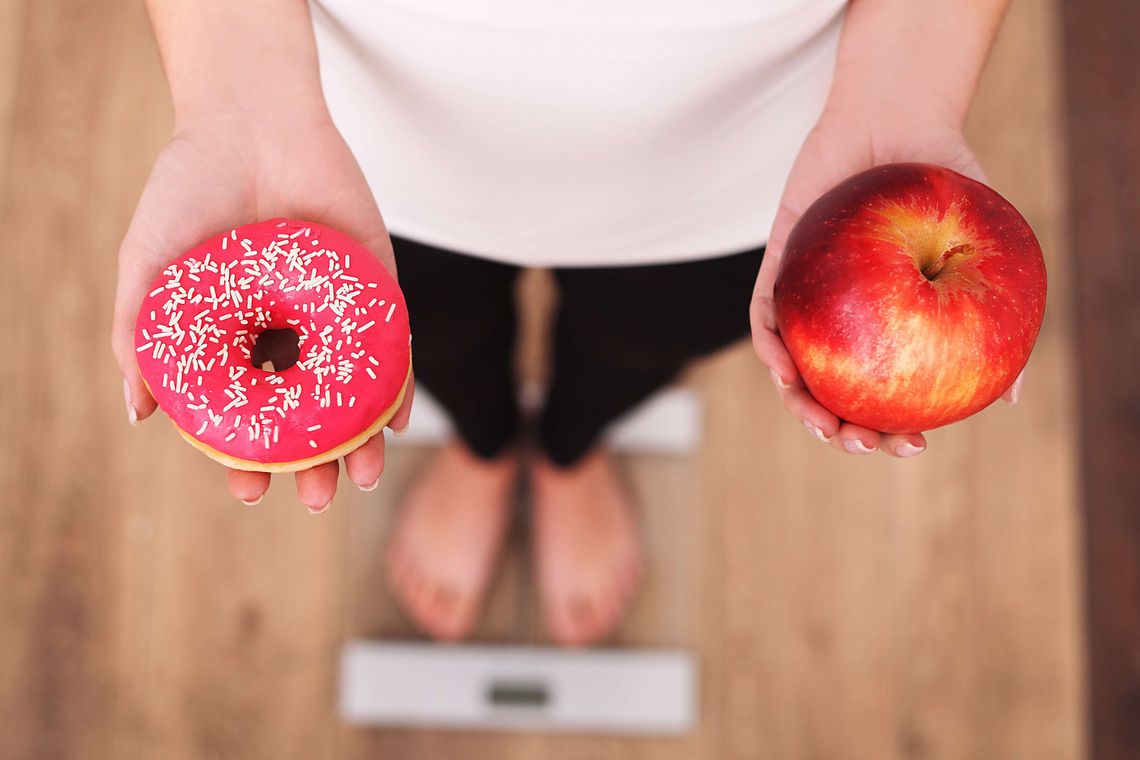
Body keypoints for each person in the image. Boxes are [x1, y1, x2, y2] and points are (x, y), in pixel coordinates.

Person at [112, 0, 1022, 646]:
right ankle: (483, 440)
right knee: (435, 337)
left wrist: (907, 91)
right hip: (342, 142)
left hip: (764, 157)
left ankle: (569, 448)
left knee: (643, 339)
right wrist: (233, 92)